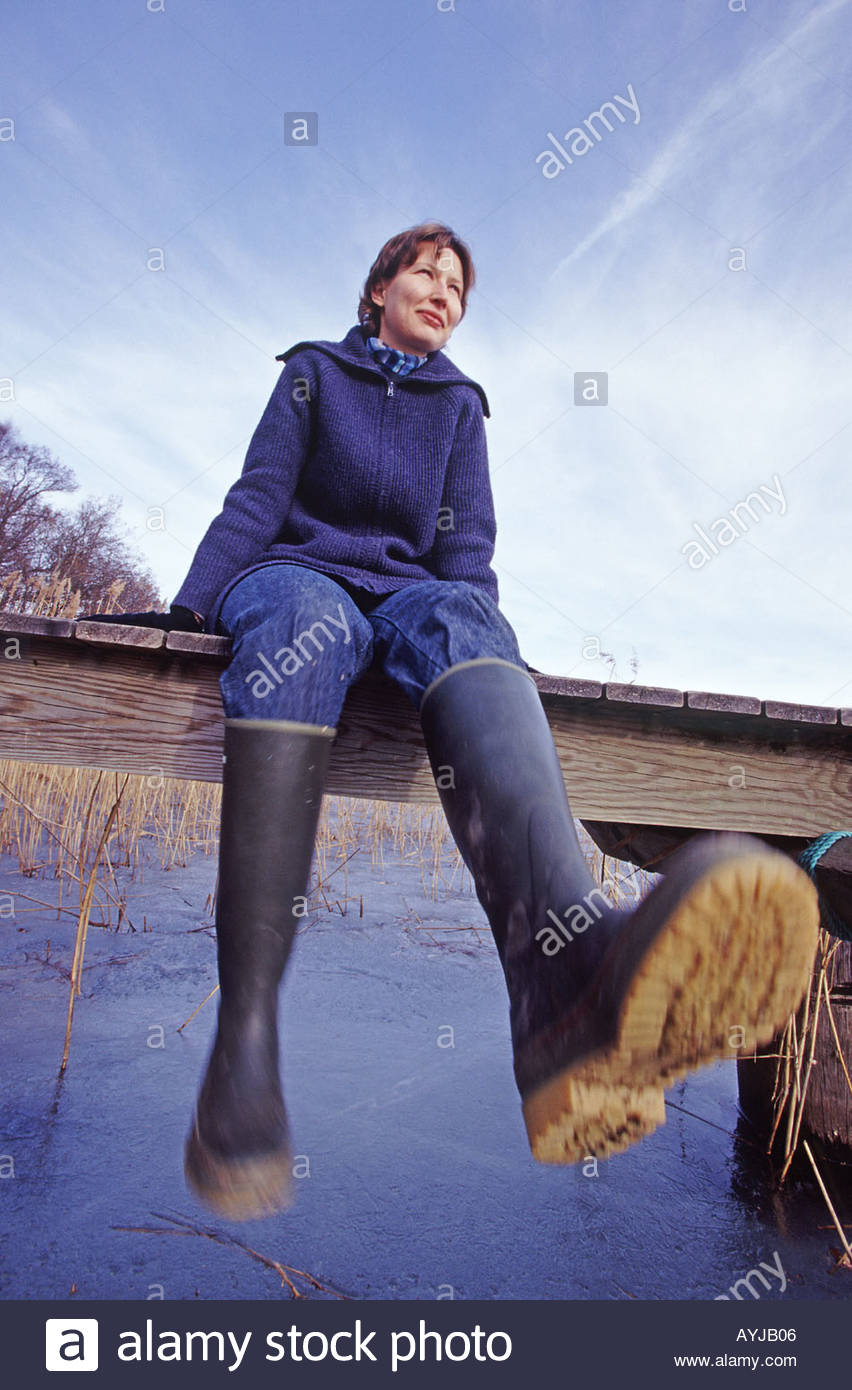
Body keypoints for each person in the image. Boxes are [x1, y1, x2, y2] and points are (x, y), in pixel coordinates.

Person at [83, 221, 819, 1221]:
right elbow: (256, 500)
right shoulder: (312, 374)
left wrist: (487, 646)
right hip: (297, 581)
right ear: (378, 288)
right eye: (425, 272)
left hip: (411, 598)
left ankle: (564, 994)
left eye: (459, 286)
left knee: (466, 614)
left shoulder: (461, 405)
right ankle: (242, 1045)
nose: (443, 291)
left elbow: (467, 553)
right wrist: (190, 605)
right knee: (304, 619)